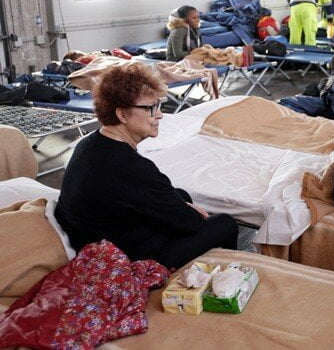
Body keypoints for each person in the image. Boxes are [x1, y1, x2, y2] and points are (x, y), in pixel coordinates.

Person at [54, 63, 239, 270]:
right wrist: (192, 214)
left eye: (158, 106)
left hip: (97, 238)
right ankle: (226, 278)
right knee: (225, 223)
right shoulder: (132, 167)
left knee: (181, 195)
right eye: (150, 108)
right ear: (122, 115)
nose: (159, 115)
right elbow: (191, 223)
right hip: (127, 258)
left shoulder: (88, 145)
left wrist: (183, 206)